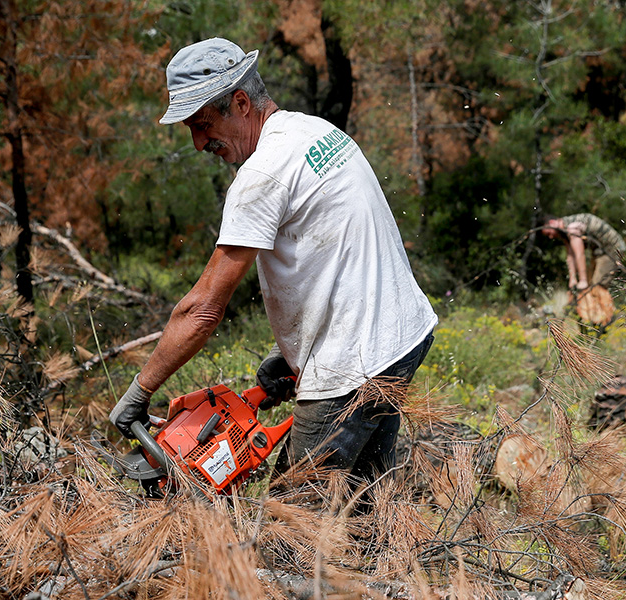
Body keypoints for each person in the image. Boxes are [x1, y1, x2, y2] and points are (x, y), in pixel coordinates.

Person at [109, 37, 437, 490]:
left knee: (290, 522)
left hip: (354, 361)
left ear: (240, 102)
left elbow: (202, 310)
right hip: (402, 336)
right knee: (367, 504)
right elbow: (341, 255)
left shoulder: (261, 174)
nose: (199, 141)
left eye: (203, 124)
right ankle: (384, 557)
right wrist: (291, 353)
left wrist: (140, 390)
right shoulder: (314, 131)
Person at [542, 213, 626, 290]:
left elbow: (579, 254)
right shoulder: (564, 232)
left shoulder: (572, 228)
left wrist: (583, 280)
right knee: (591, 285)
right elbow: (571, 256)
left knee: (597, 286)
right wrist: (573, 279)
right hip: (599, 252)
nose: (550, 237)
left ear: (552, 222)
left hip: (612, 249)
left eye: (549, 233)